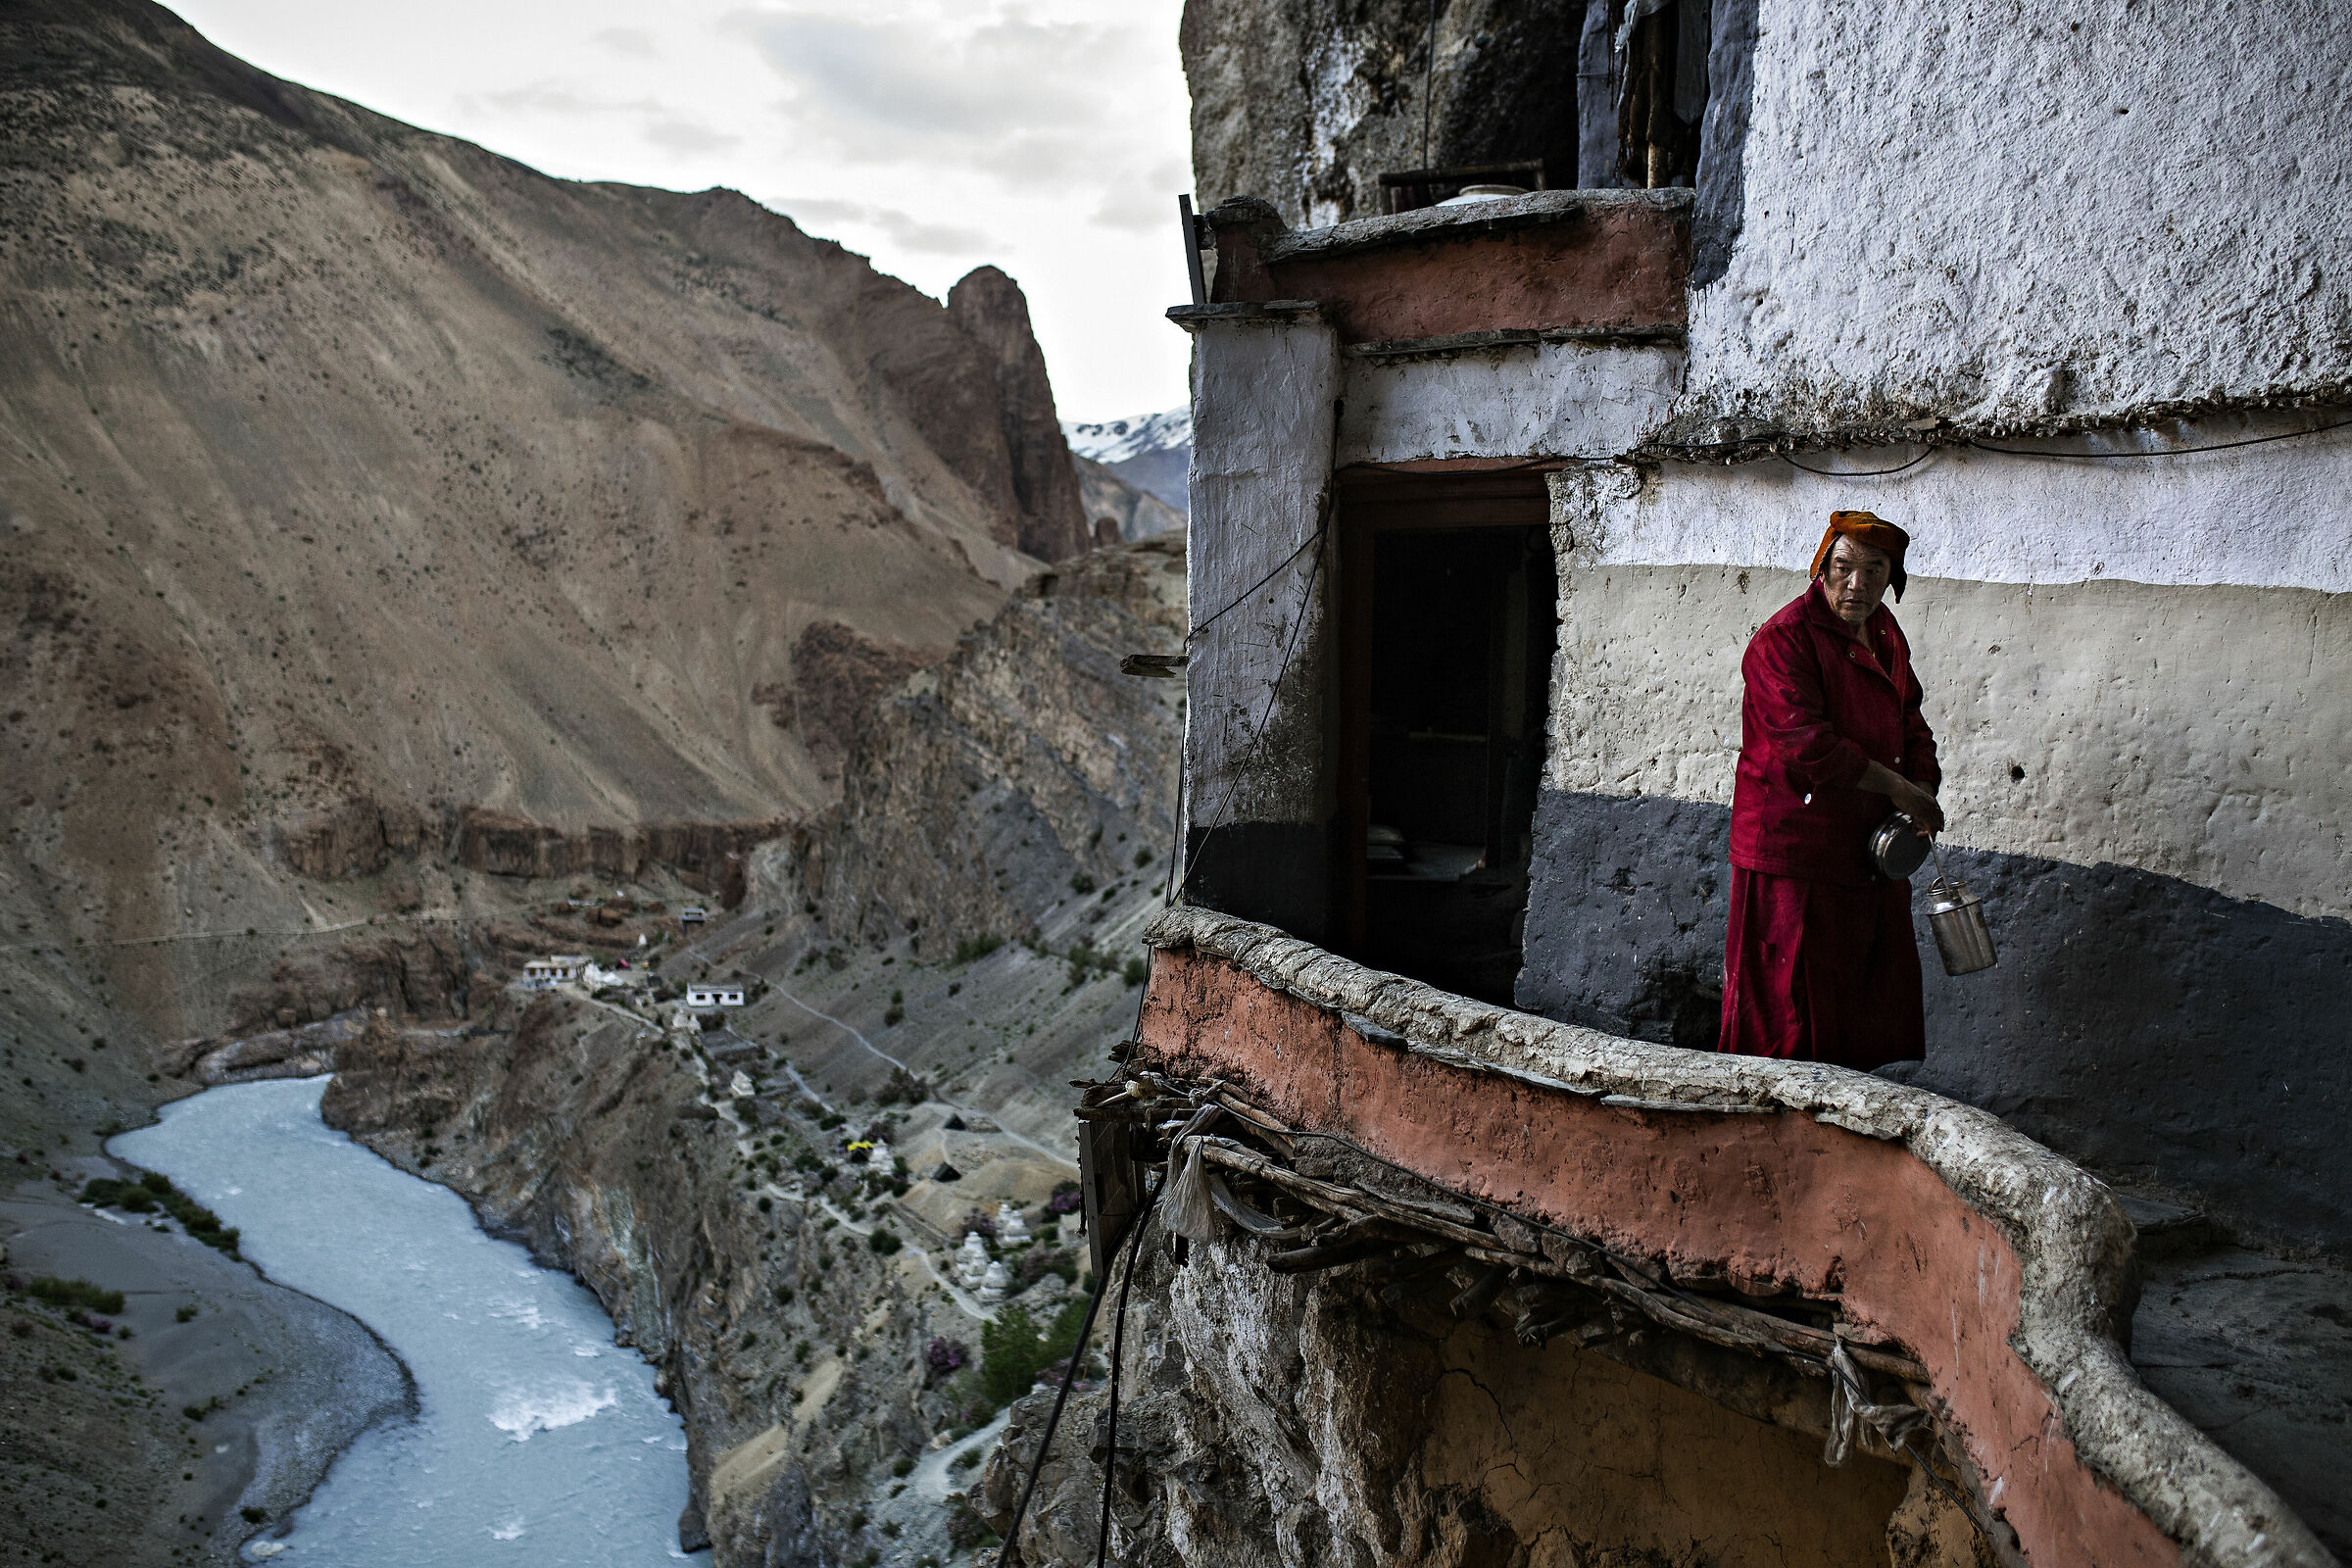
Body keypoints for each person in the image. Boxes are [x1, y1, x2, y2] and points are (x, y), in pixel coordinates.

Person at [1717, 511, 1941, 1069]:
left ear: (1893, 578)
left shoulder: (1886, 634)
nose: (1857, 584)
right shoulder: (1784, 640)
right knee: (1788, 1013)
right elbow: (1809, 746)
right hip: (1795, 851)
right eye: (1843, 567)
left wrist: (1921, 784)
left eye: (1874, 570)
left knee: (1860, 1002)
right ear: (1821, 569)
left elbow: (1909, 717)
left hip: (1865, 851)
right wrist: (1900, 789)